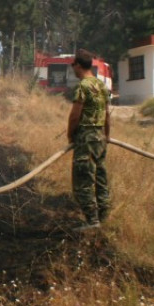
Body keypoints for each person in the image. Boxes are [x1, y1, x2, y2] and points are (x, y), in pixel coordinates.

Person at [66, 49, 111, 231]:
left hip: (86, 138)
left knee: (83, 179)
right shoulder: (101, 86)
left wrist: (71, 135)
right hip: (100, 137)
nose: (73, 69)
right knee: (100, 176)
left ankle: (92, 221)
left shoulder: (83, 86)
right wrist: (107, 135)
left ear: (78, 65)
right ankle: (103, 216)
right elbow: (107, 114)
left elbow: (75, 116)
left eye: (73, 65)